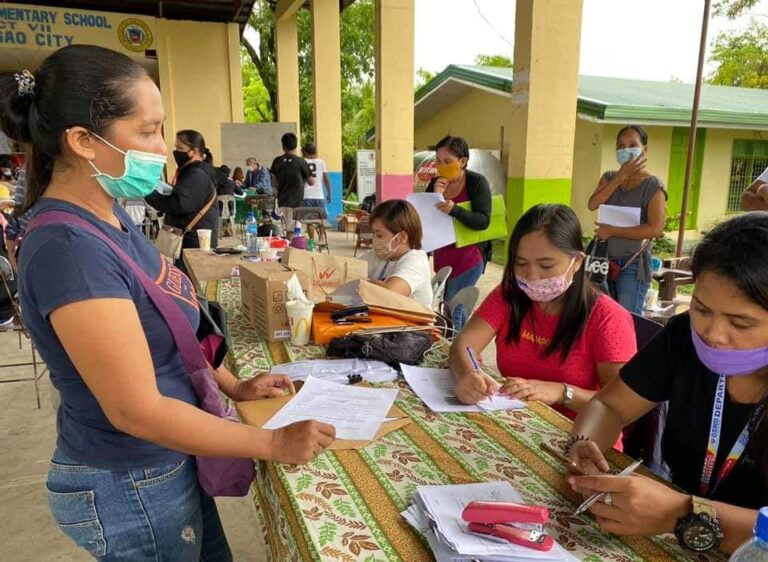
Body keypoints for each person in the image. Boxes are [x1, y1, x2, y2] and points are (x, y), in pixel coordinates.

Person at [0, 45, 335, 560]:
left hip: (167, 460)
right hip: (128, 479)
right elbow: (136, 409)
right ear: (84, 142)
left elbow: (169, 330)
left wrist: (233, 385)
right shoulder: (70, 249)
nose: (163, 148)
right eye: (148, 131)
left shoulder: (109, 217)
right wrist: (270, 443)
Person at [567, 213, 768, 555]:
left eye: (741, 323)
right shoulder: (683, 338)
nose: (714, 334)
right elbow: (609, 404)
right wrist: (586, 443)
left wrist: (681, 512)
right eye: (701, 309)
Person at [449, 204, 637, 423]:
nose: (532, 276)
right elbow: (464, 344)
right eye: (521, 264)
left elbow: (623, 403)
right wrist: (469, 375)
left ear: (576, 262)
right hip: (520, 422)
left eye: (546, 266)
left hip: (583, 440)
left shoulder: (607, 318)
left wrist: (562, 392)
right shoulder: (509, 296)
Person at [588, 125, 666, 315]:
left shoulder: (653, 185)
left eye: (632, 145)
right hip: (603, 260)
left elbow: (655, 229)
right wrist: (619, 177)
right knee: (600, 314)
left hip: (633, 264)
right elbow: (593, 204)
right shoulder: (608, 178)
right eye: (621, 146)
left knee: (627, 318)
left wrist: (613, 231)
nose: (626, 150)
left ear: (645, 150)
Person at [426, 135, 491, 330]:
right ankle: (452, 347)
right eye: (438, 161)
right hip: (443, 256)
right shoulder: (436, 182)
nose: (441, 165)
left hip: (468, 257)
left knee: (455, 308)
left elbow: (483, 220)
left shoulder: (477, 183)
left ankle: (458, 350)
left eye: (448, 161)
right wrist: (435, 194)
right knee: (445, 307)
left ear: (462, 162)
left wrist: (455, 210)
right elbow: (427, 217)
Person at [145, 129, 220, 270]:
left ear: (194, 151)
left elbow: (179, 204)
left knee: (192, 282)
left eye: (180, 148)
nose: (176, 152)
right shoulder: (192, 172)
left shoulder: (197, 174)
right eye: (175, 148)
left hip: (195, 244)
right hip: (191, 241)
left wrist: (150, 194)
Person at [361, 199, 433, 308]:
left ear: (401, 237)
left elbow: (389, 295)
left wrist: (358, 282)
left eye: (379, 235)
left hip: (413, 324)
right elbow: (348, 268)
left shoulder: (416, 260)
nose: (374, 240)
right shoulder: (386, 255)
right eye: (374, 234)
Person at [271, 133, 314, 232]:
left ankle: (291, 245)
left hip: (282, 201)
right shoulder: (301, 162)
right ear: (296, 146)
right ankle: (293, 246)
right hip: (297, 201)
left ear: (283, 146)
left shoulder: (277, 161)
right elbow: (311, 182)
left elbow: (274, 181)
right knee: (294, 231)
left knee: (289, 229)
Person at [301, 142, 331, 241]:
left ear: (305, 151)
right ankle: (321, 239)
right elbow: (326, 179)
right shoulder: (321, 162)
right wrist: (329, 193)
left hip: (306, 195)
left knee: (310, 221)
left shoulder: (302, 162)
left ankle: (311, 240)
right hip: (319, 195)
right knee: (322, 219)